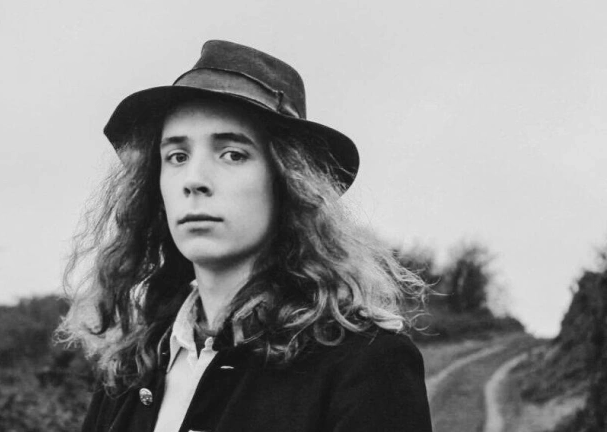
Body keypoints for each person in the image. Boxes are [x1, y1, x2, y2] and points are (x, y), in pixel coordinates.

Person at [59, 40, 433, 432]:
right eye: (177, 157)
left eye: (232, 154)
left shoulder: (365, 364)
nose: (194, 180)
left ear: (289, 183)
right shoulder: (132, 366)